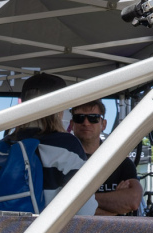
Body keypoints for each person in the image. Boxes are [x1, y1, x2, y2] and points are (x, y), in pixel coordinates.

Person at [6, 73, 97, 215]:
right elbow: (85, 209)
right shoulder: (67, 145)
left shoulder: (7, 143)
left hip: (0, 232)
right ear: (59, 107)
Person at [69, 99, 141, 216]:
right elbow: (63, 208)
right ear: (72, 124)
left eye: (93, 118)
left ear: (104, 124)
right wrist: (115, 204)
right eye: (80, 118)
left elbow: (132, 201)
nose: (86, 123)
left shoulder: (121, 162)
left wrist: (79, 201)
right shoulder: (63, 161)